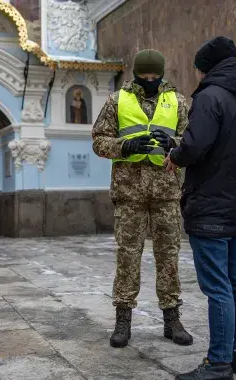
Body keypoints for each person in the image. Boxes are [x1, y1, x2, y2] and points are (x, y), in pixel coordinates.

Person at [161, 37, 236, 380]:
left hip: (209, 204)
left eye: (198, 69)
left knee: (218, 286)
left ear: (207, 68)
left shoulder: (208, 98)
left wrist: (174, 155)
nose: (197, 75)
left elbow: (195, 146)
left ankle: (218, 364)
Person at [92, 49, 193, 349]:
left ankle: (172, 319)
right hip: (129, 192)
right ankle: (123, 319)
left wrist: (174, 143)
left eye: (155, 76)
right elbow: (99, 140)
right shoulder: (116, 101)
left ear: (162, 74)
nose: (150, 80)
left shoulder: (178, 102)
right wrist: (124, 146)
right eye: (144, 76)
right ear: (135, 74)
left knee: (168, 256)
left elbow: (193, 142)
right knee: (127, 256)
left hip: (166, 191)